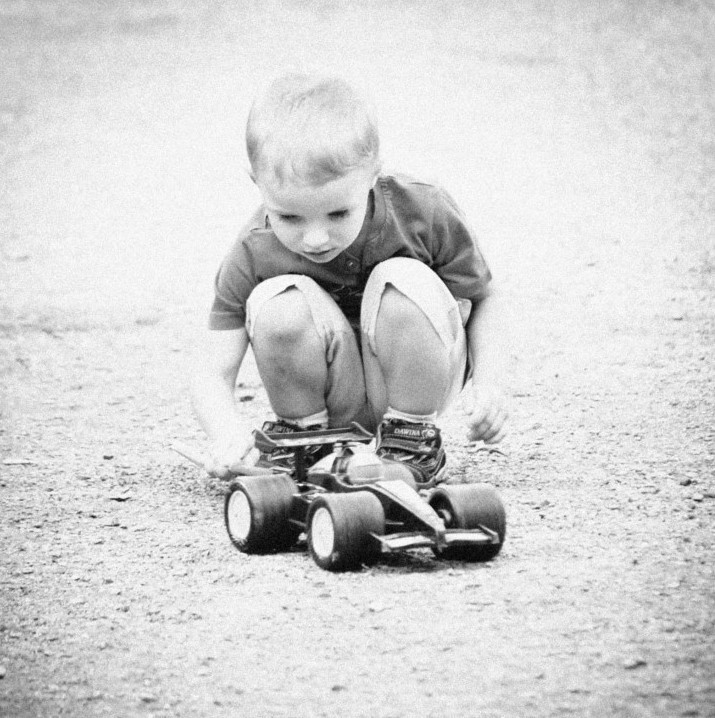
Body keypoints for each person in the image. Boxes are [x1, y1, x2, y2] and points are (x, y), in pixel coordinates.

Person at [190, 73, 507, 486]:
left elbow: (484, 298)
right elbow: (211, 370)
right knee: (277, 301)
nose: (315, 238)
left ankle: (411, 438)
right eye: (289, 217)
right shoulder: (254, 249)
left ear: (374, 174)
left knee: (400, 278)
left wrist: (490, 385)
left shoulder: (422, 211)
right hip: (333, 394)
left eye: (338, 213)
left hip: (419, 380)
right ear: (258, 183)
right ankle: (305, 439)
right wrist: (226, 434)